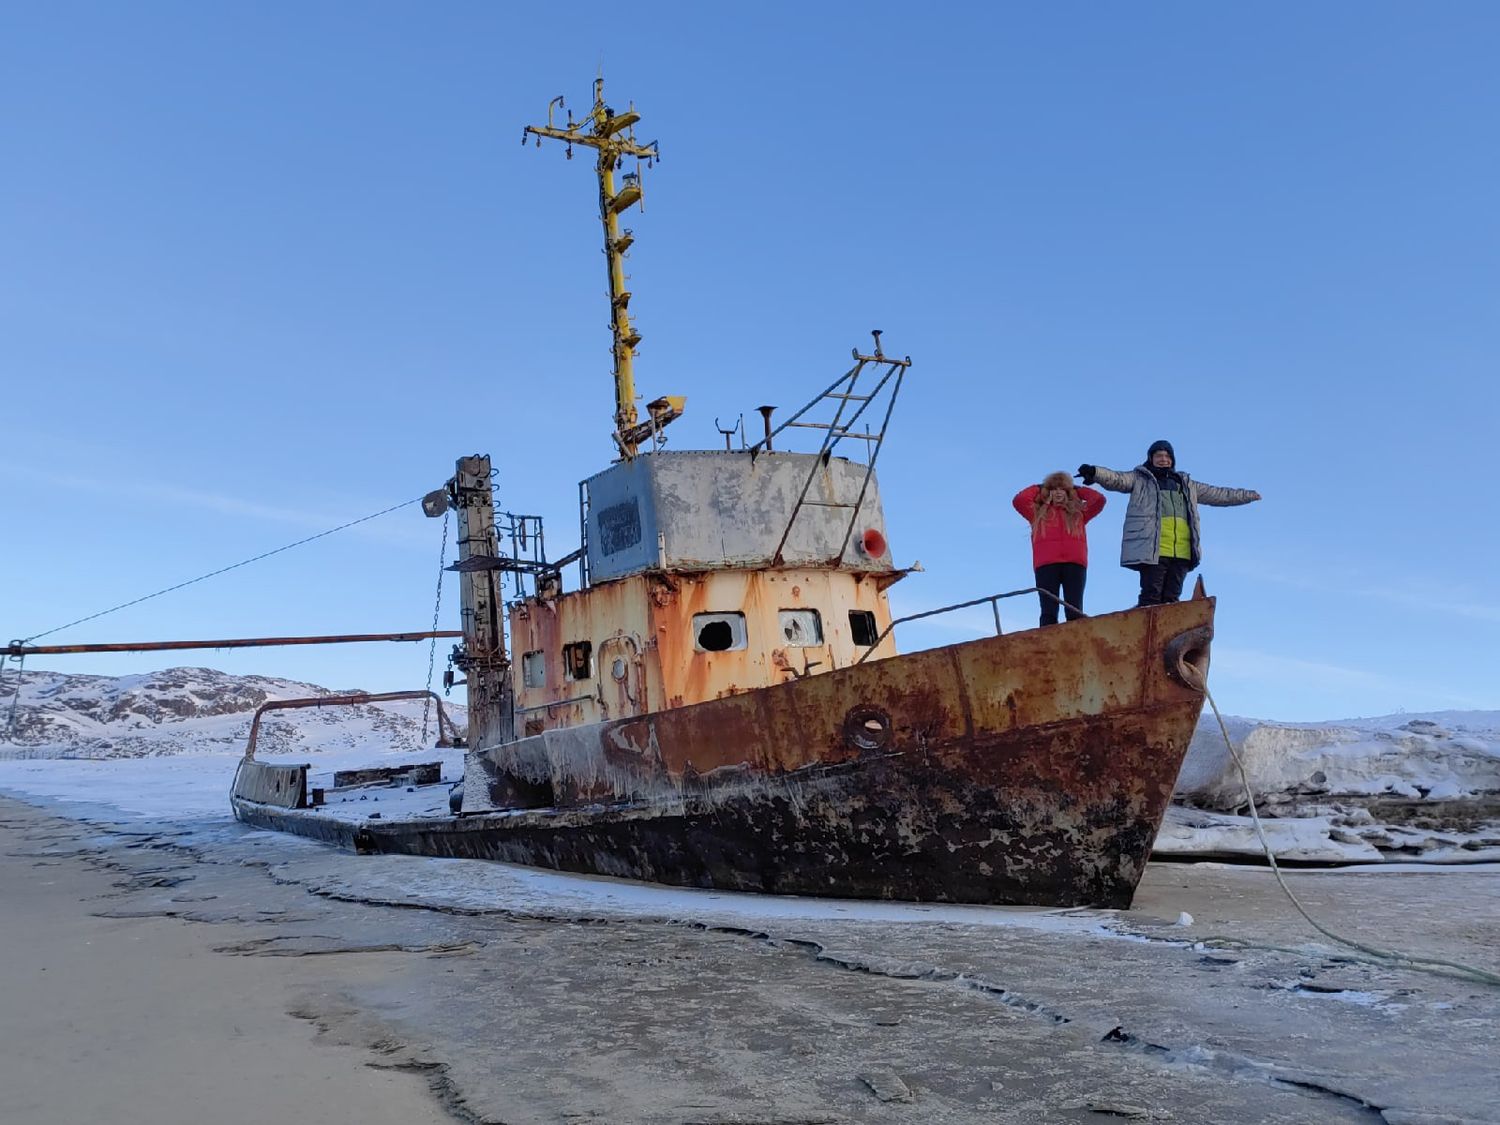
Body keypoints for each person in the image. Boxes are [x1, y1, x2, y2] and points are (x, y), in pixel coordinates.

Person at [1077, 440, 1261, 606]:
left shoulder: (1186, 484)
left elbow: (1219, 494)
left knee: (1172, 598)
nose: (1163, 459)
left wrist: (1248, 496)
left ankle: (1164, 639)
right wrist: (1095, 472)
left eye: (1167, 456)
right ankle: (1144, 636)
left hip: (1181, 550)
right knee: (1151, 595)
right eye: (1158, 456)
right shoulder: (1141, 479)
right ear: (1151, 458)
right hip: (1153, 548)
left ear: (1172, 459)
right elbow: (1117, 479)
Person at [1011, 471, 1106, 626]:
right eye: (1054, 489)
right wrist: (1040, 487)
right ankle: (1047, 644)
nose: (1058, 492)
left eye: (1063, 489)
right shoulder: (1037, 513)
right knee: (1048, 611)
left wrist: (1076, 489)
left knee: (1074, 609)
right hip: (1046, 565)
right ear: (1048, 492)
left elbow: (1099, 500)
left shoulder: (1079, 513)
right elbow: (1019, 500)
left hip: (1075, 564)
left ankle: (1077, 642)